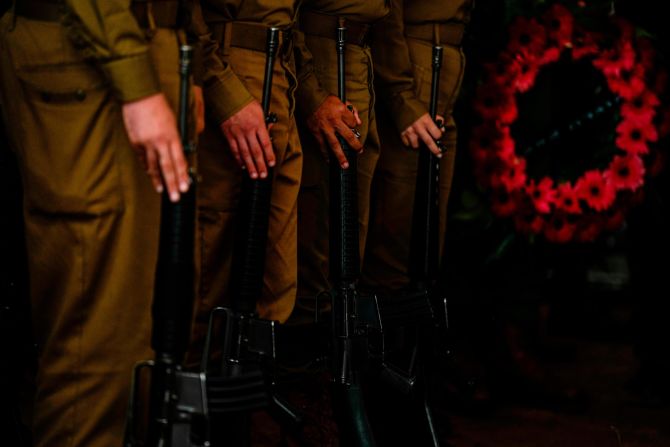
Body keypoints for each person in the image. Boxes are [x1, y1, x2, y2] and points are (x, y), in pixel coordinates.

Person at [0, 1, 203, 445]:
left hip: (140, 57)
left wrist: (181, 54)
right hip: (99, 69)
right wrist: (138, 83)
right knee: (97, 360)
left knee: (149, 343)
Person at [189, 0, 302, 357]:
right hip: (227, 64)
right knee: (210, 263)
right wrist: (222, 90)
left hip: (279, 67)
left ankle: (250, 389)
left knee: (274, 271)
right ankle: (196, 388)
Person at [361, 0, 474, 294]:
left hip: (445, 66)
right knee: (397, 234)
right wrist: (401, 94)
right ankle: (388, 334)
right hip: (413, 66)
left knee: (427, 240)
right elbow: (386, 11)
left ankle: (411, 331)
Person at [291, 0, 390, 323]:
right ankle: (313, 345)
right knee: (322, 223)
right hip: (324, 46)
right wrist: (312, 93)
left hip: (358, 50)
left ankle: (334, 338)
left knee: (349, 227)